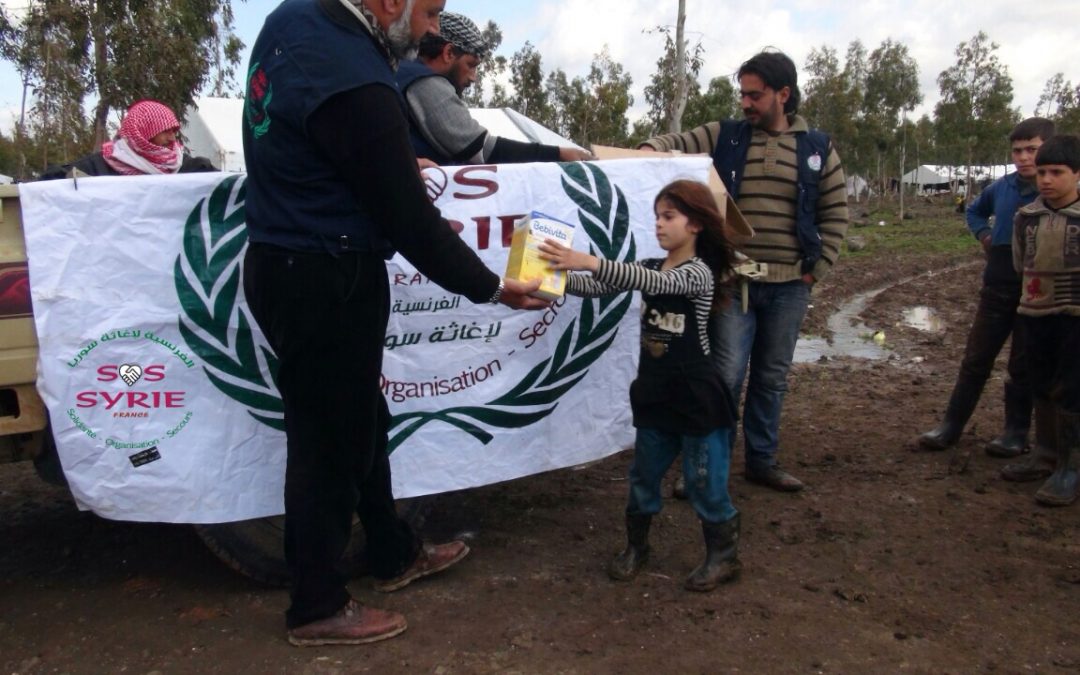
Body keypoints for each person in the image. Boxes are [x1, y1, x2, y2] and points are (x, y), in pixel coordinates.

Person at [241, 0, 548, 647]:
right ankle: (316, 605)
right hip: (327, 273)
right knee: (326, 443)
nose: (433, 27)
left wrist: (381, 159)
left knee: (360, 417)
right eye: (429, 9)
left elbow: (314, 136)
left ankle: (391, 550)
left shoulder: (291, 23)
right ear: (388, 2)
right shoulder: (353, 68)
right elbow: (410, 221)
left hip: (285, 259)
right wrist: (493, 285)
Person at [639, 49, 849, 492]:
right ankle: (703, 466)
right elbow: (679, 141)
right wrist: (649, 148)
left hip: (791, 286)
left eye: (755, 96)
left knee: (772, 379)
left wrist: (815, 271)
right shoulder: (728, 135)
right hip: (735, 286)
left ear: (783, 95)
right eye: (743, 95)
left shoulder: (817, 148)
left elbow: (835, 213)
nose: (746, 104)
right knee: (724, 377)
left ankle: (762, 461)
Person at [538, 179, 742, 592]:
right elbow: (601, 286)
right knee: (643, 477)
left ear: (696, 224)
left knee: (704, 481)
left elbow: (651, 284)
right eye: (657, 216)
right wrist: (549, 279)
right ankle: (637, 548)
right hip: (655, 394)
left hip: (697, 399)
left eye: (669, 216)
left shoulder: (698, 274)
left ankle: (724, 556)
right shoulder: (651, 266)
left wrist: (587, 259)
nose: (659, 224)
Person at [918, 119, 1056, 466]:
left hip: (1038, 289)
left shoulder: (1055, 190)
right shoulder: (1002, 187)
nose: (1023, 158)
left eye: (1032, 150)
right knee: (976, 358)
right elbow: (975, 210)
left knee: (1023, 364)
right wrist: (983, 235)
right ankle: (951, 426)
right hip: (998, 284)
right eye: (1017, 150)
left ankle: (1015, 432)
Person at [395, 12, 592, 165]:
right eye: (471, 65)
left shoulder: (403, 73)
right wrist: (558, 154)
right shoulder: (426, 84)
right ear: (448, 53)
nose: (473, 77)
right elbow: (482, 150)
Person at [1011, 134, 1080, 506]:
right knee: (1040, 381)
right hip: (1035, 312)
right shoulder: (1027, 218)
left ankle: (1070, 467)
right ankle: (1045, 453)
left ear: (1077, 174)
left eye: (1057, 172)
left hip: (1074, 317)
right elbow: (1020, 264)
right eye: (1041, 172)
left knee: (1072, 388)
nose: (1047, 179)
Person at [39, 99, 217, 179]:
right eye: (165, 131)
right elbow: (52, 182)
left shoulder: (184, 167)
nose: (172, 137)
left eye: (174, 130)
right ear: (142, 133)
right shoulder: (101, 167)